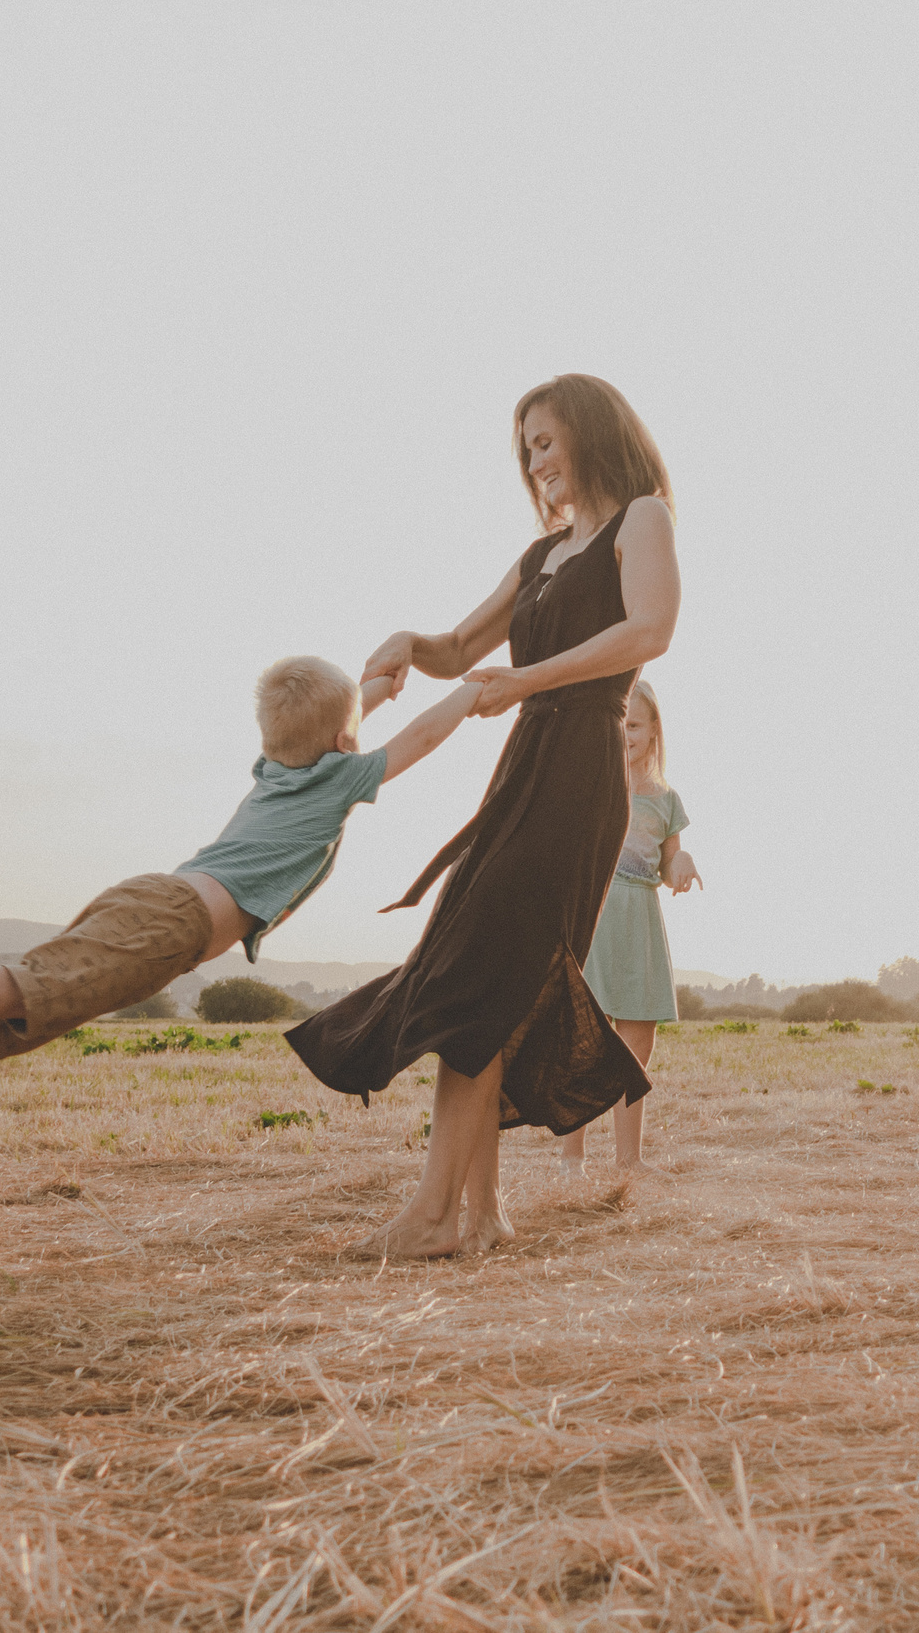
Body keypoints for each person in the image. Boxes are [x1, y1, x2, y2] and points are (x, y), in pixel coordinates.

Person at [287, 373, 682, 1258]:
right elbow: (462, 648)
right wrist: (406, 644)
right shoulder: (541, 554)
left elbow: (650, 630)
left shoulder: (642, 520)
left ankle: (432, 1218)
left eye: (545, 440)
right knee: (489, 977)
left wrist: (530, 680)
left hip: (581, 773)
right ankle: (484, 1216)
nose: (535, 461)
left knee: (480, 975)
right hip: (523, 766)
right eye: (526, 448)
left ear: (589, 430)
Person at [0, 658, 485, 1082]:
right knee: (32, 986)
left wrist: (377, 686)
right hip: (174, 921)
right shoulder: (339, 778)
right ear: (343, 742)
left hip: (162, 901)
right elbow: (416, 738)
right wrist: (472, 690)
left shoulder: (277, 766)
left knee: (29, 1011)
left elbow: (331, 721)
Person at [561, 679, 700, 1178]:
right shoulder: (597, 780)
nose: (625, 734)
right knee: (583, 1039)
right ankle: (572, 1157)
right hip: (597, 917)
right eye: (618, 724)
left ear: (655, 728)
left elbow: (668, 862)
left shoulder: (666, 800)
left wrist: (681, 862)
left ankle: (629, 1159)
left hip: (641, 920)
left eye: (635, 724)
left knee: (636, 1045)